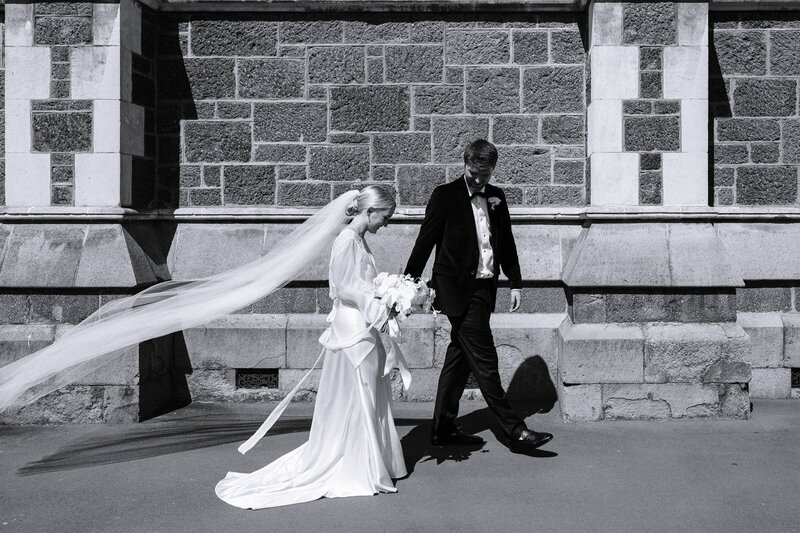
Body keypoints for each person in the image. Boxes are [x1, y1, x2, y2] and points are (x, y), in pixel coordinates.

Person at [215, 185, 410, 509]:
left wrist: (386, 295)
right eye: (385, 217)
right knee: (358, 394)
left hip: (362, 325)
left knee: (367, 395)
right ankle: (356, 466)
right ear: (370, 211)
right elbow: (344, 287)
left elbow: (360, 284)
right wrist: (380, 302)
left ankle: (371, 460)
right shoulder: (346, 240)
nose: (385, 224)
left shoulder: (358, 240)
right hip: (353, 328)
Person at [405, 139, 553, 454]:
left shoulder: (497, 197)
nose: (478, 180)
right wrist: (407, 283)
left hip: (485, 289)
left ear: (492, 171)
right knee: (486, 361)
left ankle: (443, 428)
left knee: (458, 359)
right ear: (465, 164)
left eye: (484, 175)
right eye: (473, 173)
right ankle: (516, 431)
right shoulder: (444, 196)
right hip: (457, 292)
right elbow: (425, 242)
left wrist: (515, 281)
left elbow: (506, 241)